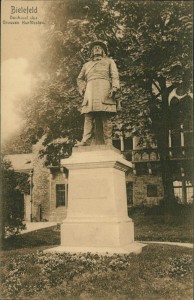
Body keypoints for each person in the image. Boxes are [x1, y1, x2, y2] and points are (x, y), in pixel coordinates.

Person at [75, 40, 120, 146]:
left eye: (99, 47)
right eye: (94, 48)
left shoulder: (109, 61)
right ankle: (85, 140)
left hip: (104, 89)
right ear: (91, 52)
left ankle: (108, 140)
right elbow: (79, 79)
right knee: (88, 116)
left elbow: (115, 75)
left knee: (106, 115)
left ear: (103, 51)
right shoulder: (86, 65)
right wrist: (82, 88)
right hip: (90, 91)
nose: (97, 49)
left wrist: (114, 87)